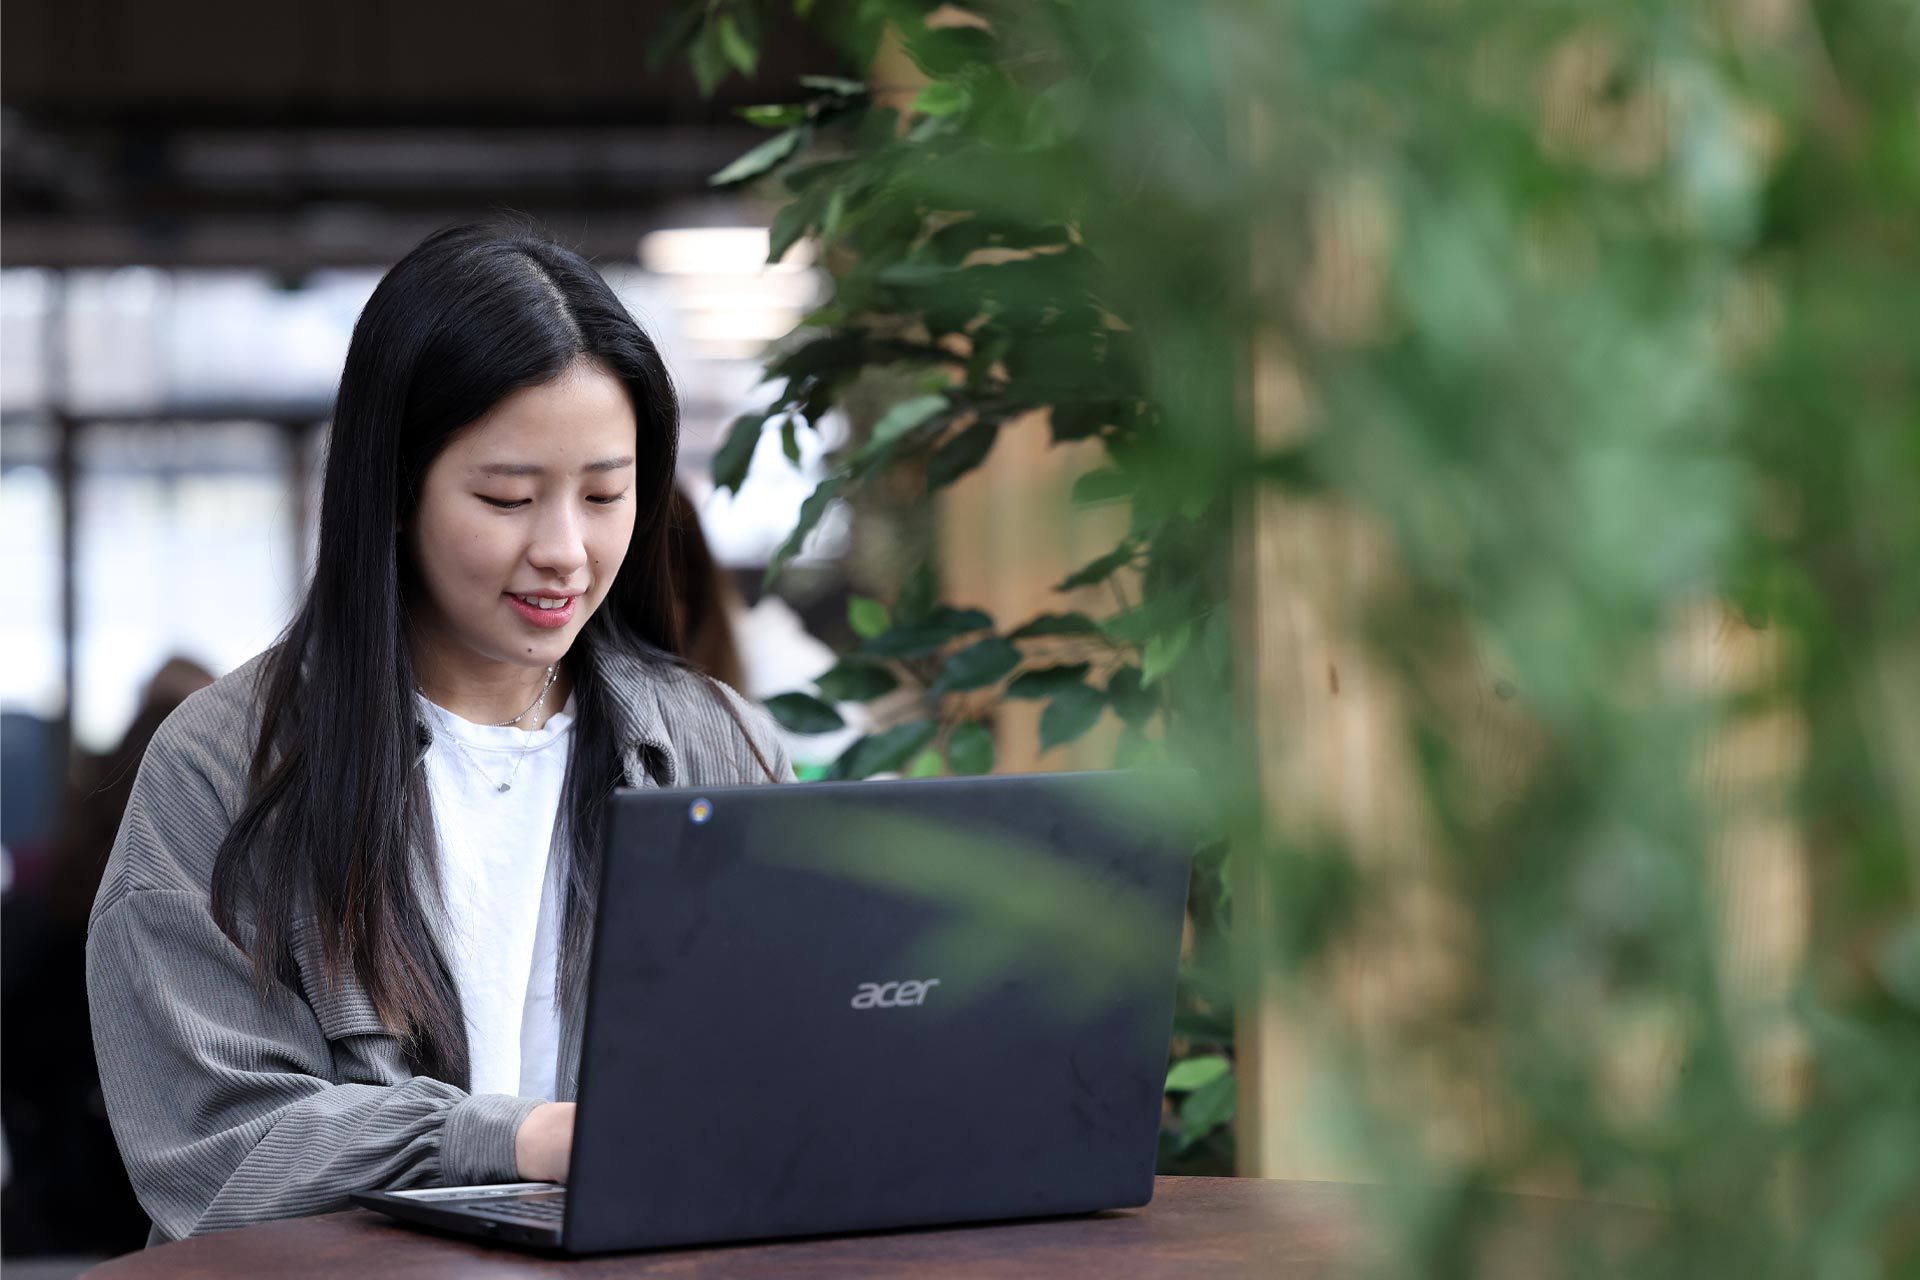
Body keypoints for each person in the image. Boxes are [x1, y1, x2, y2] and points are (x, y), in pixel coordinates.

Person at [85, 223, 791, 1246]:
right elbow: (220, 1145)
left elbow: (791, 1073)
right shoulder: (226, 768)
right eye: (506, 496)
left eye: (604, 493)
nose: (563, 549)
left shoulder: (715, 746)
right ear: (394, 490)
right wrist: (520, 1139)